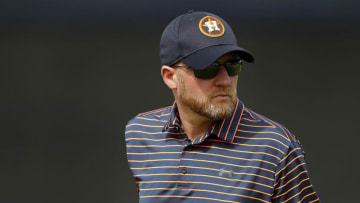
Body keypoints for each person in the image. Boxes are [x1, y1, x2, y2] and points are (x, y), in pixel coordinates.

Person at [125, 11, 320, 203]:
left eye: (233, 64)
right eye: (207, 68)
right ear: (170, 77)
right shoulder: (140, 132)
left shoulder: (274, 147)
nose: (225, 80)